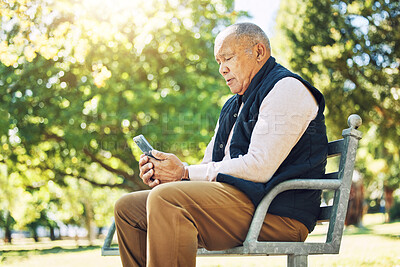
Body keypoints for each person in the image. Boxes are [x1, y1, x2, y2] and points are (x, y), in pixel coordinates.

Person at [114, 22, 328, 267]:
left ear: (259, 52)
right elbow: (209, 165)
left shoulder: (287, 88)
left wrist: (183, 172)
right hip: (240, 204)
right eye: (218, 62)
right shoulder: (232, 105)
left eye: (228, 58)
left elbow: (260, 167)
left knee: (167, 199)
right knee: (128, 209)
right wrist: (172, 176)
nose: (222, 69)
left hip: (277, 214)